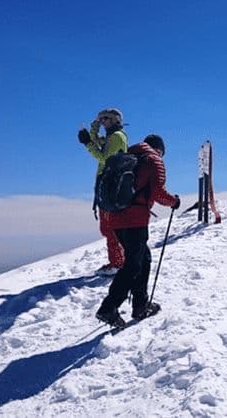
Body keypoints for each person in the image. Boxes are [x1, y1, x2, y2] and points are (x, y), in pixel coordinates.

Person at [95, 134, 181, 328]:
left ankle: (140, 304)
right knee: (134, 264)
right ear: (159, 149)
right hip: (135, 220)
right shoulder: (153, 160)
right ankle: (109, 307)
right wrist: (174, 201)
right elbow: (158, 192)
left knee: (143, 259)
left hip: (115, 218)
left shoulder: (128, 155)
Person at [78, 108, 128, 275]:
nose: (103, 121)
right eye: (102, 118)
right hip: (107, 184)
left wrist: (87, 144)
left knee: (109, 227)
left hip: (110, 185)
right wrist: (94, 126)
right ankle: (117, 261)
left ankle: (117, 263)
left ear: (115, 120)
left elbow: (104, 157)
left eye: (106, 118)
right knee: (108, 227)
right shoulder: (111, 136)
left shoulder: (116, 137)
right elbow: (95, 141)